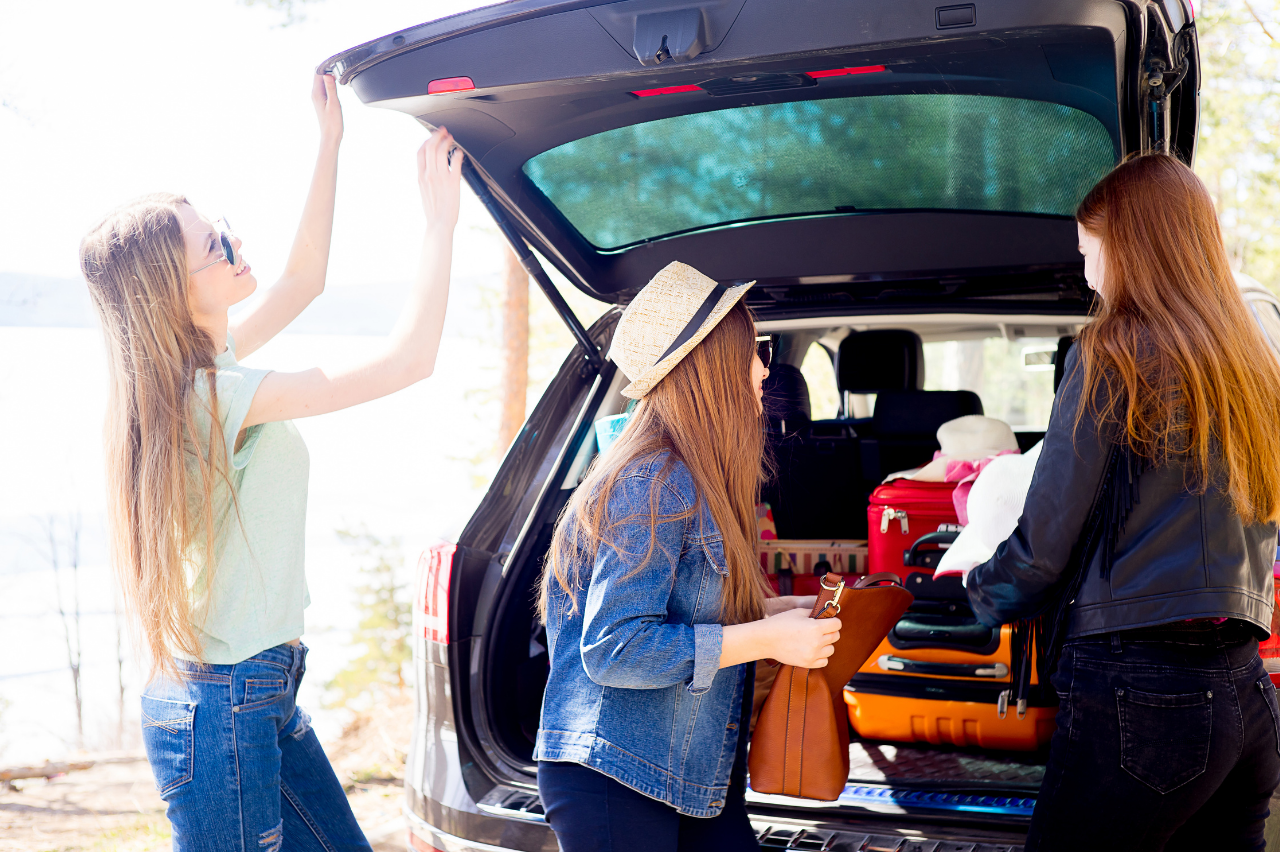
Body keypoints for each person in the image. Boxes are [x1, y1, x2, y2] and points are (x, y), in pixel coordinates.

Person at [78, 74, 463, 851]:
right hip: (221, 704)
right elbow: (408, 362)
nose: (232, 241)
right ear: (171, 297)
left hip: (257, 690)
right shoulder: (207, 395)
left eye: (219, 225)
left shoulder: (198, 371)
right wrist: (439, 226)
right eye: (214, 247)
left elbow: (302, 281)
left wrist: (328, 145)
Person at [966, 153, 1280, 851]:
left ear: (1131, 246)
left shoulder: (1112, 352)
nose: (1087, 274)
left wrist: (974, 597)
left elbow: (1044, 544)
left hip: (1143, 696)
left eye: (1090, 252)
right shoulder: (1252, 365)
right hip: (1247, 693)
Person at [534, 261, 840, 852]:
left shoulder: (690, 476)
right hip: (615, 775)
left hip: (688, 774)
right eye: (755, 351)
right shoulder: (653, 481)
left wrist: (778, 613)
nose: (764, 368)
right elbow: (615, 648)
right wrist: (768, 639)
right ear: (714, 367)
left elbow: (684, 608)